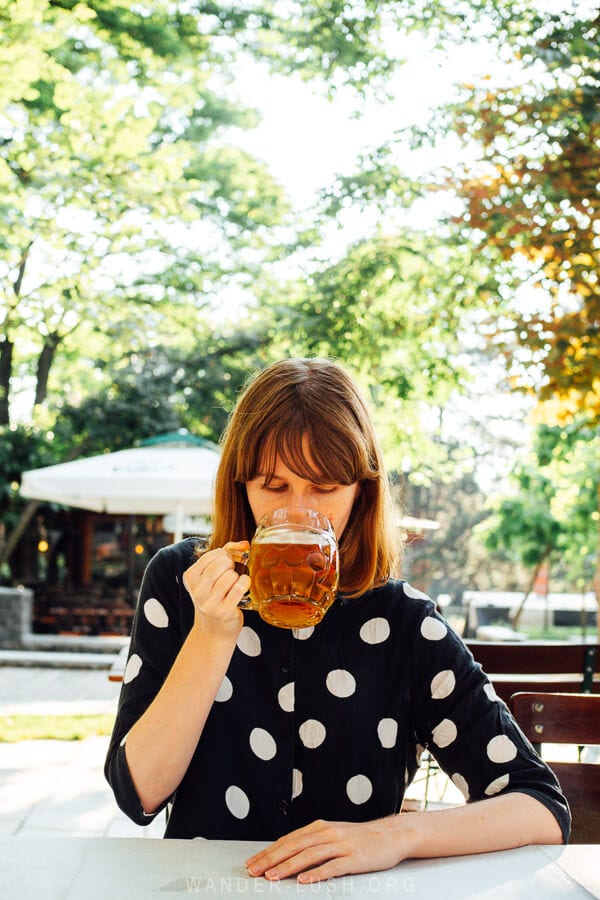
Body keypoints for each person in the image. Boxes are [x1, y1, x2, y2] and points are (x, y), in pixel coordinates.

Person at [105, 357, 569, 883]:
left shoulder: (404, 622)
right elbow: (137, 794)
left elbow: (541, 806)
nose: (299, 512)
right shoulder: (182, 582)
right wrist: (211, 636)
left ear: (361, 489)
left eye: (324, 487)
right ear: (241, 486)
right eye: (273, 487)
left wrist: (397, 835)